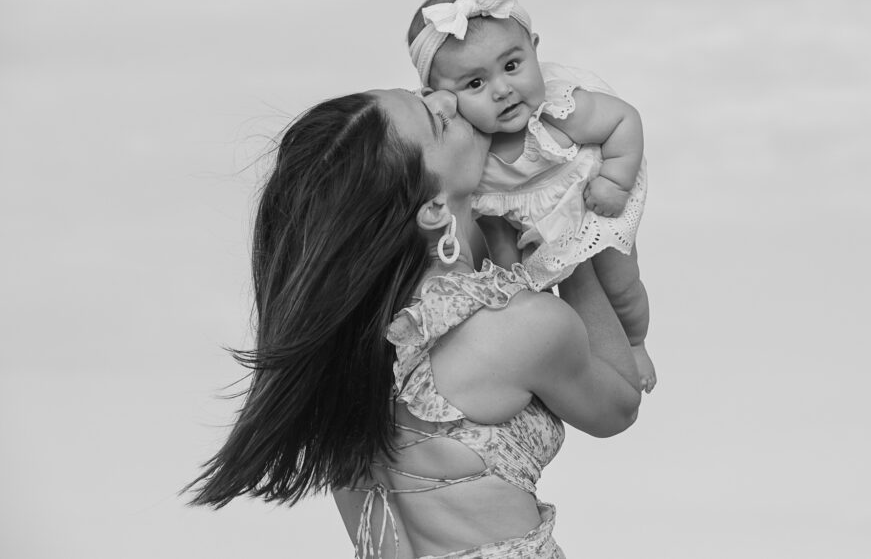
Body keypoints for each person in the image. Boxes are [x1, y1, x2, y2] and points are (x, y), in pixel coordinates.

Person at [184, 88, 642, 557]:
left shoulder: (338, 353)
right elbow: (620, 404)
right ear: (433, 210)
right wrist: (571, 245)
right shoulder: (515, 327)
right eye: (437, 120)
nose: (447, 98)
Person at [407, 0, 656, 392]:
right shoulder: (468, 147)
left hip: (591, 205)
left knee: (621, 283)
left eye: (512, 65)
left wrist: (614, 180)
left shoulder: (560, 111)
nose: (502, 90)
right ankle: (558, 359)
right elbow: (488, 216)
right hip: (530, 228)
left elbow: (624, 120)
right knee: (531, 294)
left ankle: (634, 341)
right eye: (475, 83)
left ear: (535, 51)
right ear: (440, 96)